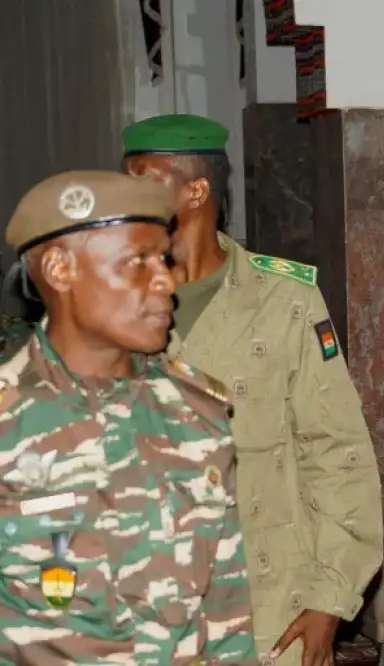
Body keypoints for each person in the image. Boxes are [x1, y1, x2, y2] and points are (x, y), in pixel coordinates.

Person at [121, 114, 383, 666]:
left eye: (143, 182)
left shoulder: (284, 301)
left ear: (196, 192)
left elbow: (337, 454)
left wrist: (330, 597)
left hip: (269, 610)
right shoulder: (111, 303)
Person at [0, 170, 256, 664]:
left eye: (164, 259)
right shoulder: (10, 421)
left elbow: (227, 613)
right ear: (59, 269)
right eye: (138, 261)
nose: (166, 281)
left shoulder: (196, 412)